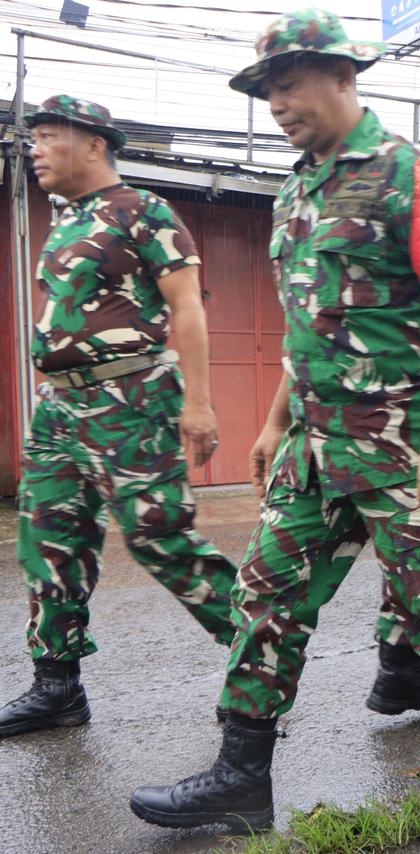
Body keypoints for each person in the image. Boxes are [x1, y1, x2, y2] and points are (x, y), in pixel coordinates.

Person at [128, 12, 420, 854]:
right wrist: (274, 422)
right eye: (267, 90)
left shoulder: (411, 174)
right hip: (314, 446)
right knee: (263, 601)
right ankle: (241, 779)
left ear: (343, 76)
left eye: (290, 84)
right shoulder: (298, 188)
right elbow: (312, 324)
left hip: (405, 449)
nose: (277, 103)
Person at [0, 96, 237, 739]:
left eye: (48, 136)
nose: (35, 149)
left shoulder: (143, 211)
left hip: (128, 399)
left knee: (159, 536)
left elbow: (186, 308)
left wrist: (198, 402)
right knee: (47, 540)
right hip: (59, 409)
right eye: (35, 139)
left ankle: (260, 663)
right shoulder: (67, 222)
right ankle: (56, 687)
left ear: (95, 143)